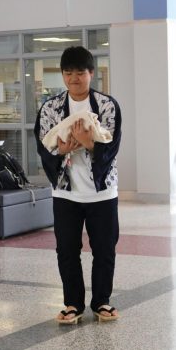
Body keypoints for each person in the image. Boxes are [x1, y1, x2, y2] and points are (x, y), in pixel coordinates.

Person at [34, 46, 122, 324]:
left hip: (102, 192)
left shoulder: (107, 105)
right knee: (67, 250)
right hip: (65, 193)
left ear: (91, 74)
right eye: (68, 72)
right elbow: (44, 146)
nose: (74, 78)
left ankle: (102, 302)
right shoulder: (50, 107)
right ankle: (72, 303)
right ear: (62, 75)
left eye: (80, 72)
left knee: (105, 249)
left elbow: (112, 145)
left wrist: (86, 142)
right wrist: (60, 151)